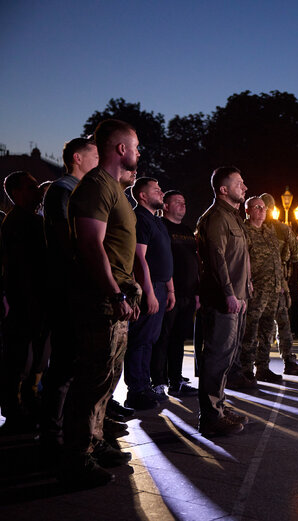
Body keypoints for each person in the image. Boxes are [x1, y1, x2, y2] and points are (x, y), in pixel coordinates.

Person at [62, 119, 141, 486]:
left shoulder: (115, 188)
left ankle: (94, 442)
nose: (139, 153)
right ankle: (76, 456)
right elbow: (91, 246)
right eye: (136, 146)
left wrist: (130, 290)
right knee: (92, 379)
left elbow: (118, 250)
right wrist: (115, 293)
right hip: (99, 301)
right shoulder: (95, 186)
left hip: (116, 299)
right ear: (120, 149)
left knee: (106, 379)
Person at [40, 138, 100, 448]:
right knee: (65, 361)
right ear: (77, 158)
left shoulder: (76, 190)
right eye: (95, 155)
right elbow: (69, 243)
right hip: (68, 287)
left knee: (75, 361)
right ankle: (53, 431)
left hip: (76, 286)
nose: (99, 161)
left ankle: (67, 426)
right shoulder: (64, 190)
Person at [195, 166, 251, 435]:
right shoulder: (216, 217)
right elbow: (217, 259)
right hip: (223, 299)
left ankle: (219, 405)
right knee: (216, 357)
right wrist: (229, 293)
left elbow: (238, 257)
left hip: (238, 297)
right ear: (223, 189)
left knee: (227, 358)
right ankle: (210, 416)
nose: (245, 187)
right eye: (239, 183)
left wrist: (245, 285)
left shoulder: (233, 217)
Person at [235, 196, 298, 386]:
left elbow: (279, 259)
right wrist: (247, 282)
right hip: (255, 290)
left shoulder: (269, 231)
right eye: (257, 207)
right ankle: (246, 370)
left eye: (264, 208)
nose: (261, 211)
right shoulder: (244, 231)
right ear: (248, 211)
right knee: (250, 330)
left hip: (273, 289)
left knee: (266, 330)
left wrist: (281, 283)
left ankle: (262, 368)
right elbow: (241, 260)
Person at [0, 171, 46, 434]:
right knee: (19, 361)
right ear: (16, 193)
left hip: (33, 302)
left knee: (34, 360)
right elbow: (22, 269)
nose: (38, 190)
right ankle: (14, 411)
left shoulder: (28, 220)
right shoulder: (18, 222)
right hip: (24, 304)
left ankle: (27, 406)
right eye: (32, 186)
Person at [124, 178, 175, 410]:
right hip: (149, 286)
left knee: (150, 339)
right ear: (142, 196)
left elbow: (166, 257)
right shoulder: (140, 219)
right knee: (140, 339)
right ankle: (135, 390)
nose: (161, 192)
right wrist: (149, 292)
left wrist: (170, 288)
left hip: (161, 286)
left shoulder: (158, 221)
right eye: (156, 190)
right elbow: (139, 257)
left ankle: (144, 386)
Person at [150, 190, 199, 398]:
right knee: (162, 338)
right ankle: (158, 382)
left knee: (178, 339)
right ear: (166, 206)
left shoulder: (188, 230)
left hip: (188, 294)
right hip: (168, 292)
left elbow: (196, 262)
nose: (183, 205)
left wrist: (197, 293)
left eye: (184, 202)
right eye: (177, 202)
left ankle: (176, 380)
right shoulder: (161, 227)